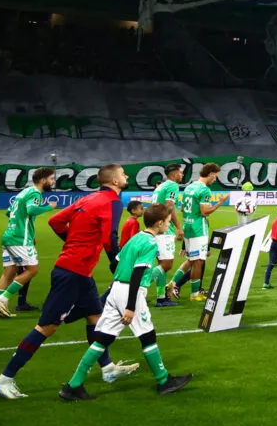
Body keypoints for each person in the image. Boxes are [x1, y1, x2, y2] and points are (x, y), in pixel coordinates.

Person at [0, 164, 138, 400]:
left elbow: (56, 222)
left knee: (95, 318)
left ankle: (108, 368)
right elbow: (110, 237)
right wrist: (117, 265)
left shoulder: (87, 199)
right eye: (123, 174)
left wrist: (74, 242)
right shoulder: (112, 201)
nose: (126, 176)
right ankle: (4, 379)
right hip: (72, 273)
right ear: (114, 181)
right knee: (47, 327)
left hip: (79, 272)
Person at [58, 203, 192, 400]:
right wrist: (130, 307)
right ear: (159, 223)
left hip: (116, 290)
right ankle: (163, 380)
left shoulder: (136, 238)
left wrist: (122, 285)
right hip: (131, 292)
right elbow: (138, 273)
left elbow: (116, 263)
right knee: (147, 335)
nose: (169, 224)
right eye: (168, 221)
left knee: (103, 338)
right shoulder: (151, 243)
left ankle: (73, 385)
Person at [0, 166, 56, 319]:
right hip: (19, 239)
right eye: (51, 179)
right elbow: (31, 210)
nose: (53, 181)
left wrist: (28, 231)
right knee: (32, 269)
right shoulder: (36, 193)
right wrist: (48, 207)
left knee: (8, 273)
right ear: (43, 180)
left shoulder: (24, 192)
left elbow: (8, 212)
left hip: (9, 236)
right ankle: (2, 299)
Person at [167, 162, 221, 303]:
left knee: (191, 260)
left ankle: (172, 283)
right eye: (215, 177)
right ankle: (195, 293)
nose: (215, 180)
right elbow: (205, 212)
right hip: (198, 230)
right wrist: (220, 203)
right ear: (210, 174)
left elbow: (183, 208)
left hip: (188, 227)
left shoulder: (189, 187)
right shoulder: (205, 190)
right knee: (198, 262)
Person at [150, 164, 185, 307]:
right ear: (174, 173)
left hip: (156, 229)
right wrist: (178, 227)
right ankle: (133, 287)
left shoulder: (160, 187)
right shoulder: (172, 186)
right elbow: (170, 206)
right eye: (181, 173)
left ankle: (161, 297)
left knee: (162, 265)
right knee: (166, 264)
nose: (182, 175)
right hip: (165, 230)